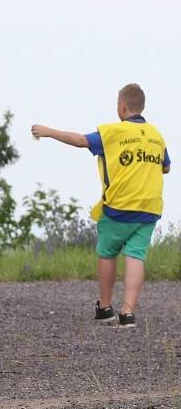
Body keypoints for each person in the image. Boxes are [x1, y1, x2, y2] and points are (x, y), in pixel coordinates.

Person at [31, 83, 170, 328]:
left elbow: (81, 141)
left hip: (119, 206)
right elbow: (166, 167)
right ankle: (128, 312)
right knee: (136, 256)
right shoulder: (156, 136)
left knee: (107, 252)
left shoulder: (112, 133)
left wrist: (49, 131)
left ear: (122, 106)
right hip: (149, 208)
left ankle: (105, 308)